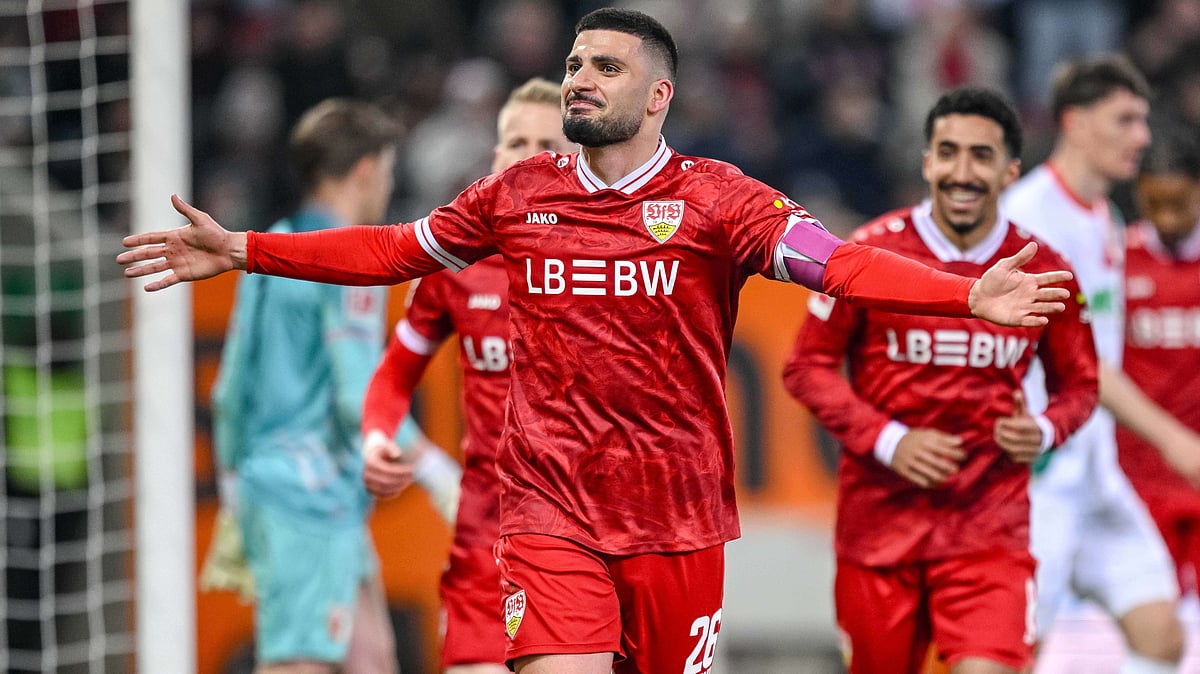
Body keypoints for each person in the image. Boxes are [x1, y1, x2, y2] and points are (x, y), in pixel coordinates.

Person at [120, 9, 1076, 673]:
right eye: (575, 65)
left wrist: (962, 296)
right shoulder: (517, 194)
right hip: (548, 512)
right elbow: (394, 250)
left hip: (678, 520)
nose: (580, 79)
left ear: (659, 95)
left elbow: (841, 266)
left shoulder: (718, 200)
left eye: (603, 68)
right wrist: (245, 249)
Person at [783, 88, 1098, 674]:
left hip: (989, 532)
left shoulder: (1045, 271)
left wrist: (1046, 430)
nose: (961, 171)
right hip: (879, 531)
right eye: (947, 152)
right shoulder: (870, 254)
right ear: (927, 162)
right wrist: (890, 439)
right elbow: (805, 368)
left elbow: (1081, 387)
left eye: (981, 156)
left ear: (1010, 171)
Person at [360, 77, 576, 674]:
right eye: (515, 142)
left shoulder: (614, 261)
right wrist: (379, 435)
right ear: (496, 156)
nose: (528, 156)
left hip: (583, 537)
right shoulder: (457, 261)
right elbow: (394, 376)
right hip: (486, 536)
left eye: (546, 143)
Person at [1003, 55, 1192, 672]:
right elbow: (1081, 362)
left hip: (1095, 470)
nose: (1142, 136)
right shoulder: (1031, 220)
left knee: (1162, 634)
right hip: (1041, 475)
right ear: (1076, 123)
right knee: (1012, 651)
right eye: (1126, 119)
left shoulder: (1104, 216)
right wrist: (1174, 439)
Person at [206, 98, 408, 673]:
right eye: (389, 172)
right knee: (299, 664)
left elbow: (228, 391)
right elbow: (356, 398)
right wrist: (426, 463)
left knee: (372, 655)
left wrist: (233, 494)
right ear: (365, 170)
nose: (389, 188)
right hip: (310, 498)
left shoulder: (269, 244)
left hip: (282, 487)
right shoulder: (357, 257)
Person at [1118, 133, 1200, 599]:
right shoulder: (1114, 261)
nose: (1167, 218)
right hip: (1138, 480)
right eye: (1155, 204)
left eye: (1180, 204)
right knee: (1153, 624)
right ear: (1138, 194)